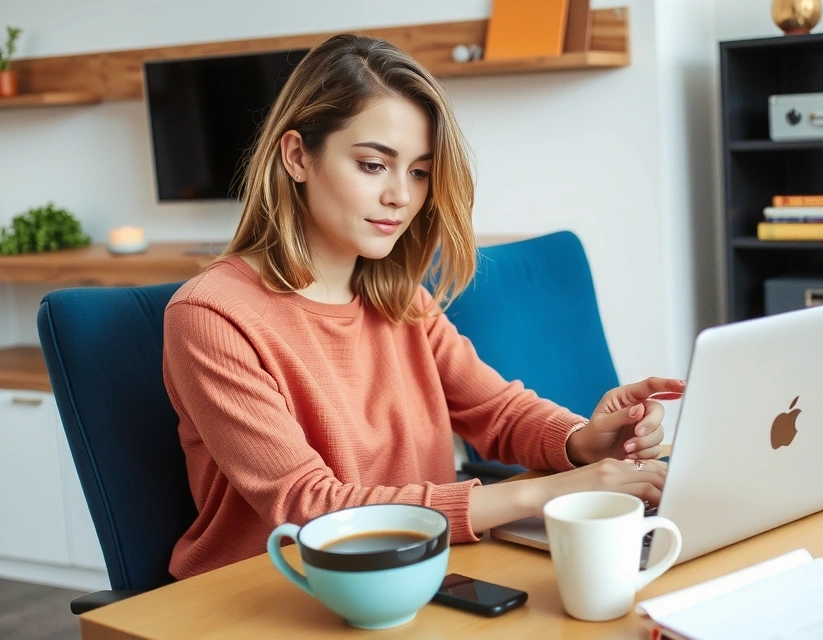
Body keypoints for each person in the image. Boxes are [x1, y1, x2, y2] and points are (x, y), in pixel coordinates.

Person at [162, 33, 685, 580]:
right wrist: (543, 496)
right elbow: (309, 508)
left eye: (418, 171)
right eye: (372, 165)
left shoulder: (400, 299)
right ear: (297, 156)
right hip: (270, 593)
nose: (402, 197)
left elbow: (499, 413)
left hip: (413, 571)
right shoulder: (212, 315)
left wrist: (583, 440)